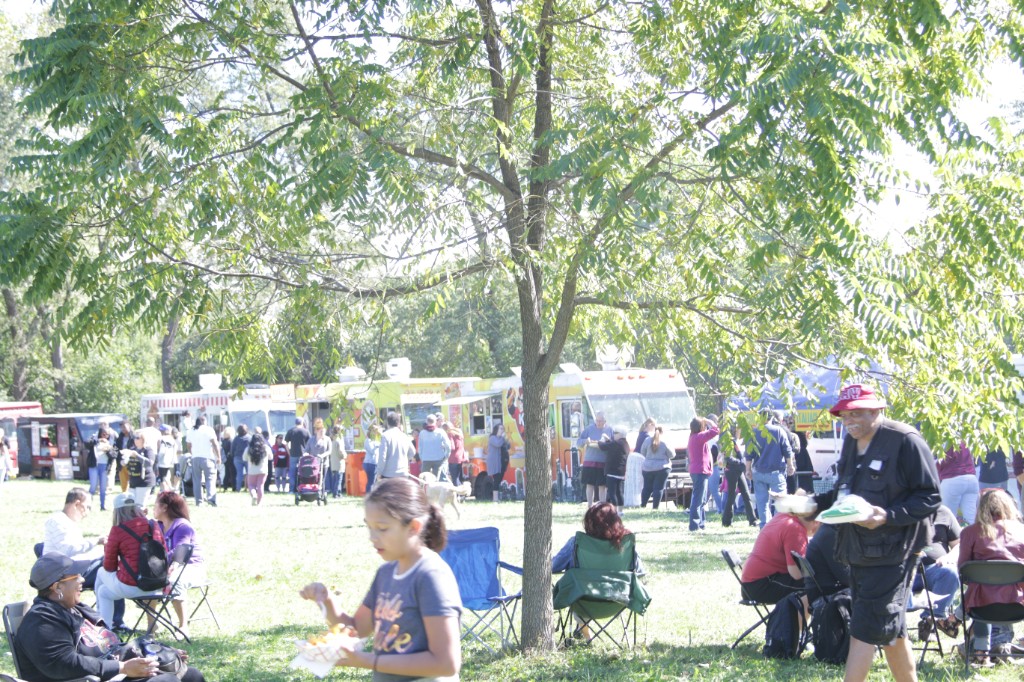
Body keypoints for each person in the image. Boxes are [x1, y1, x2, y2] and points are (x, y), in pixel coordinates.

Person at [811, 383, 940, 682]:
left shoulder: (905, 440)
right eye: (844, 416)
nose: (849, 422)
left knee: (864, 629)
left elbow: (930, 497)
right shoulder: (850, 442)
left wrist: (887, 517)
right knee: (891, 630)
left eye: (856, 414)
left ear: (877, 410)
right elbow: (844, 494)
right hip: (857, 551)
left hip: (896, 551)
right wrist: (810, 504)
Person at [298, 477, 461, 680]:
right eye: (369, 527)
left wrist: (369, 661)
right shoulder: (386, 573)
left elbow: (446, 663)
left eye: (382, 528)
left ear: (413, 527)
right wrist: (327, 601)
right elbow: (357, 629)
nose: (373, 537)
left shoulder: (430, 576)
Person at [16, 553, 205, 682]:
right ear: (57, 587)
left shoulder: (74, 608)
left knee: (191, 676)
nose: (82, 580)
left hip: (111, 674)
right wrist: (121, 668)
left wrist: (153, 652)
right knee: (167, 680)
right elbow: (62, 664)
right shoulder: (41, 621)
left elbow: (108, 645)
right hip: (92, 678)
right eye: (75, 576)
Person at [955, 487, 1024, 666]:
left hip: (980, 608)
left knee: (979, 588)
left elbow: (962, 571)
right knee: (981, 588)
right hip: (1017, 605)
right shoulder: (1021, 531)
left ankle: (980, 652)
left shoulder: (969, 533)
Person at [94, 493, 166, 630]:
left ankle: (104, 630)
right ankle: (104, 627)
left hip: (133, 586)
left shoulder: (117, 530)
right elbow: (164, 551)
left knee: (100, 572)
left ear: (117, 512)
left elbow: (109, 567)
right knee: (104, 591)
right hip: (158, 584)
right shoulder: (153, 525)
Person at [153, 490, 207, 637]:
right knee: (146, 578)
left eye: (155, 505)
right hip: (166, 566)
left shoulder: (182, 526)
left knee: (175, 580)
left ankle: (183, 625)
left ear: (164, 507)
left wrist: (157, 560)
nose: (153, 508)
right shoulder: (157, 526)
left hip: (191, 566)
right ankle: (152, 625)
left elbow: (180, 551)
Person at [740, 510, 819, 604]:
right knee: (816, 585)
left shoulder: (784, 516)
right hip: (761, 585)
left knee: (814, 583)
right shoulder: (795, 528)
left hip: (751, 583)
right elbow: (797, 573)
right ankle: (796, 618)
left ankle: (798, 617)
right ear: (816, 522)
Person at [552, 501, 645, 574]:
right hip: (620, 595)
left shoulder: (577, 543)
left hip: (582, 594)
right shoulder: (626, 543)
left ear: (589, 523)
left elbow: (553, 566)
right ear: (616, 521)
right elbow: (640, 571)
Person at [912, 504, 962, 641]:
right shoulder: (897, 510)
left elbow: (959, 544)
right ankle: (894, 629)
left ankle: (930, 620)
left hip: (934, 569)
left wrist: (950, 557)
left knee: (950, 572)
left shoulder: (943, 512)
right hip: (903, 570)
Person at [42, 488, 107, 589]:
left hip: (68, 569)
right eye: (87, 507)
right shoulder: (57, 521)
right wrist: (96, 541)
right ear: (77, 504)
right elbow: (68, 550)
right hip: (63, 574)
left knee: (108, 561)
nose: (88, 512)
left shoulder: (66, 521)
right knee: (111, 567)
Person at [746, 409, 795, 529]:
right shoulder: (779, 431)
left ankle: (764, 527)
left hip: (758, 472)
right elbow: (787, 450)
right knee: (780, 502)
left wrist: (748, 470)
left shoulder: (754, 432)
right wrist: (790, 465)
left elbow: (749, 454)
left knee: (762, 502)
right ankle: (778, 527)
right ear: (771, 418)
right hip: (776, 473)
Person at [687, 415, 720, 531]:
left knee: (701, 499)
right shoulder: (700, 437)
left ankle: (701, 523)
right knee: (698, 499)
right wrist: (710, 421)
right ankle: (694, 525)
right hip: (700, 471)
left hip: (698, 471)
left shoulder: (693, 437)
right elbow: (716, 430)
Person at [721, 428, 757, 528]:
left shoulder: (735, 441)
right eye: (738, 430)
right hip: (731, 470)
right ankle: (726, 521)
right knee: (732, 495)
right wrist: (741, 462)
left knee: (746, 494)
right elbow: (728, 458)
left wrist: (742, 463)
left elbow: (739, 455)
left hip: (739, 470)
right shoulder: (728, 441)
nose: (740, 432)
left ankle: (752, 520)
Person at [937, 440, 978, 524]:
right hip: (971, 478)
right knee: (971, 517)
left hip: (953, 478)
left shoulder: (948, 439)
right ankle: (974, 537)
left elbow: (945, 460)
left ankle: (951, 536)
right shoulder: (966, 438)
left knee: (947, 517)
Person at [577, 411, 613, 507]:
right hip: (589, 461)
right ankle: (589, 505)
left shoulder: (609, 430)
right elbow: (579, 442)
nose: (598, 422)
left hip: (603, 461)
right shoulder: (589, 429)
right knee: (590, 484)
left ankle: (602, 505)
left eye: (600, 421)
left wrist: (607, 442)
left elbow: (612, 445)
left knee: (602, 485)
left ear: (605, 421)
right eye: (597, 420)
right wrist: (586, 441)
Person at [186, 416, 219, 507]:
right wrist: (218, 456)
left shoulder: (191, 431)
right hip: (208, 457)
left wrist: (192, 453)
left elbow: (188, 445)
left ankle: (199, 501)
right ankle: (211, 498)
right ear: (204, 421)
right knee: (210, 479)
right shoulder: (209, 430)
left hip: (195, 458)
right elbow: (215, 444)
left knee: (197, 480)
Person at [640, 426, 672, 509]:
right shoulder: (665, 442)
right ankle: (655, 508)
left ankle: (643, 505)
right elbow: (672, 455)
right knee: (658, 488)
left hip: (647, 468)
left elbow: (642, 452)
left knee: (646, 488)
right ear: (662, 432)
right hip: (662, 468)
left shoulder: (647, 440)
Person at [599, 427, 630, 512]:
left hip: (612, 471)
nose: (614, 434)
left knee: (612, 493)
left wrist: (602, 439)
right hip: (621, 472)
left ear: (620, 434)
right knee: (619, 492)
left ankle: (614, 511)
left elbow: (602, 446)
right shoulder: (625, 444)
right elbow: (612, 446)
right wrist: (609, 440)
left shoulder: (617, 443)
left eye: (615, 433)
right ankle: (620, 511)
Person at [378, 412, 414, 482]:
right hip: (403, 473)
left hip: (388, 474)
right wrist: (404, 459)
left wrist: (379, 472)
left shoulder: (385, 436)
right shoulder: (404, 436)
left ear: (387, 423)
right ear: (398, 423)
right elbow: (412, 452)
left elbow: (382, 457)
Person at [126, 432, 157, 508]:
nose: (135, 440)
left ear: (143, 439)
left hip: (144, 481)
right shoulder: (132, 450)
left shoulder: (148, 450)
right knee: (130, 505)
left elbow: (150, 463)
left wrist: (137, 456)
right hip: (133, 481)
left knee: (139, 507)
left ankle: (142, 520)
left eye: (137, 438)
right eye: (134, 438)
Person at [417, 414, 451, 479]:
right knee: (437, 479)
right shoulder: (441, 432)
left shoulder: (422, 433)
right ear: (435, 421)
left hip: (426, 459)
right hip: (438, 459)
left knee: (424, 480)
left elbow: (420, 447)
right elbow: (448, 446)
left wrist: (422, 458)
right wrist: (446, 456)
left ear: (426, 421)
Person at [486, 423, 511, 502]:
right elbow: (498, 444)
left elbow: (508, 446)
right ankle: (495, 499)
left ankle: (496, 497)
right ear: (496, 429)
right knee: (496, 479)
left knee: (499, 479)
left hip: (502, 461)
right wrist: (503, 438)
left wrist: (506, 439)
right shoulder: (492, 438)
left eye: (503, 429)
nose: (502, 430)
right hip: (495, 462)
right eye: (500, 428)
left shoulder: (502, 438)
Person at [285, 417, 311, 493]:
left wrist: (289, 452)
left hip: (293, 454)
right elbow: (309, 443)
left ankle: (291, 490)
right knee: (303, 473)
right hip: (303, 455)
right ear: (302, 422)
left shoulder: (291, 431)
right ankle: (302, 489)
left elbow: (285, 443)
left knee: (292, 473)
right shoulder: (306, 431)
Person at [244, 430, 269, 506]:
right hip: (263, 470)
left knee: (251, 485)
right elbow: (271, 457)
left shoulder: (249, 448)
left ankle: (254, 495)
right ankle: (259, 502)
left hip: (252, 470)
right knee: (260, 485)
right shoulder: (265, 447)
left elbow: (244, 458)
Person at [443, 421, 466, 486]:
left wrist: (443, 446)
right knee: (458, 478)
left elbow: (452, 447)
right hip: (460, 458)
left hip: (453, 459)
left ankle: (458, 494)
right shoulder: (459, 433)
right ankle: (462, 493)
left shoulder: (450, 434)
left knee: (454, 479)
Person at [114, 422, 135, 493]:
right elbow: (115, 449)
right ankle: (124, 494)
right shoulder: (119, 438)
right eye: (121, 427)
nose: (123, 429)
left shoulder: (134, 437)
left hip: (131, 461)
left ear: (129, 427)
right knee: (123, 481)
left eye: (124, 427)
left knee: (132, 480)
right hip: (121, 462)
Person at [231, 424, 251, 494]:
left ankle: (238, 488)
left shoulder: (236, 438)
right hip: (248, 458)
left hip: (237, 457)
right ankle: (250, 488)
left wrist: (233, 455)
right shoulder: (249, 438)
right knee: (249, 473)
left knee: (239, 474)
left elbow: (232, 449)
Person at [156, 425, 177, 493]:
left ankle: (169, 488)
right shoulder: (172, 439)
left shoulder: (161, 438)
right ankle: (163, 489)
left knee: (163, 475)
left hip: (162, 459)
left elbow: (158, 448)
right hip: (169, 459)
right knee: (166, 474)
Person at [329, 424, 348, 498]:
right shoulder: (338, 440)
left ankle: (335, 492)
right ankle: (337, 493)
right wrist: (345, 455)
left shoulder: (332, 440)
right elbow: (341, 452)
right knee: (339, 479)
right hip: (339, 462)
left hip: (333, 462)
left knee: (335, 479)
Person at [364, 423, 382, 488]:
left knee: (373, 481)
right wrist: (377, 446)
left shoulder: (374, 440)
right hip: (370, 463)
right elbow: (372, 451)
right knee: (371, 481)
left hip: (374, 462)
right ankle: (369, 495)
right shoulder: (368, 441)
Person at [219, 426, 235, 493]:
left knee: (227, 473)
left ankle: (225, 486)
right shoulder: (231, 441)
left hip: (225, 459)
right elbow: (232, 450)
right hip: (231, 458)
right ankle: (234, 486)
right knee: (233, 473)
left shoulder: (223, 441)